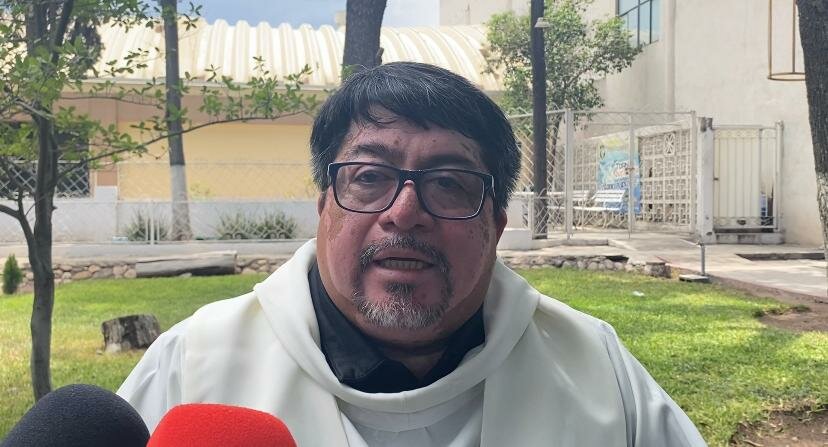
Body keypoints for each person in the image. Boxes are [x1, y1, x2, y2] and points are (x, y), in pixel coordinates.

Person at [117, 62, 706, 446]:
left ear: (497, 224)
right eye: (369, 176)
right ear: (324, 208)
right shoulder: (195, 365)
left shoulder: (594, 367)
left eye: (449, 182)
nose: (404, 212)